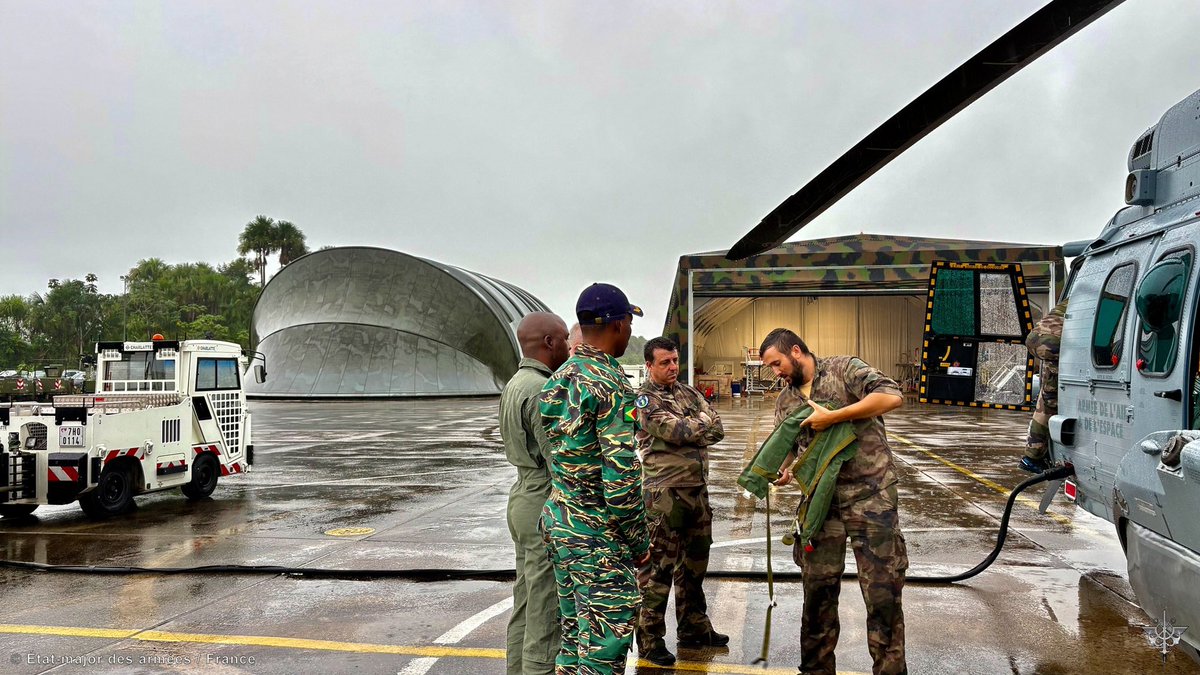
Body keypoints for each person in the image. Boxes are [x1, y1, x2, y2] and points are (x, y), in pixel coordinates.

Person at [760, 328, 907, 675]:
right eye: (770, 367)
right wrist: (783, 469)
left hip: (871, 498)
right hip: (820, 506)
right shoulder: (786, 401)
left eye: (777, 363)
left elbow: (891, 397)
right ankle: (816, 669)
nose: (775, 372)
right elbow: (791, 445)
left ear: (796, 351)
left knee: (883, 595)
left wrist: (833, 416)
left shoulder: (844, 370)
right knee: (817, 596)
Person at [539, 283, 650, 675]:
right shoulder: (611, 383)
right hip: (598, 534)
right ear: (619, 325)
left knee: (573, 643)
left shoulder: (559, 378)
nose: (631, 332)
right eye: (629, 324)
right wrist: (639, 542)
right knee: (603, 648)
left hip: (561, 523)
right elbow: (620, 478)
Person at [633, 337, 728, 666]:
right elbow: (673, 431)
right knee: (659, 570)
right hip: (665, 497)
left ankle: (693, 627)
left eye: (674, 361)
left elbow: (718, 428)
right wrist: (699, 423)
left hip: (697, 493)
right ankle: (649, 639)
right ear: (649, 365)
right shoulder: (644, 399)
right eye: (665, 362)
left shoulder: (689, 392)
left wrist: (696, 425)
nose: (672, 367)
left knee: (694, 566)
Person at [500, 312, 571, 675]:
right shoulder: (543, 389)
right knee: (546, 613)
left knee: (526, 604)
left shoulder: (516, 383)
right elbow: (559, 460)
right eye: (564, 340)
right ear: (549, 343)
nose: (569, 347)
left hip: (522, 498)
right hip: (544, 498)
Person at [1021, 298, 1068, 473]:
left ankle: (1033, 456)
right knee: (1051, 402)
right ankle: (1033, 456)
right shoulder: (1113, 299)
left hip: (1038, 339)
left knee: (1046, 401)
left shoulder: (1077, 294)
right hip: (1052, 343)